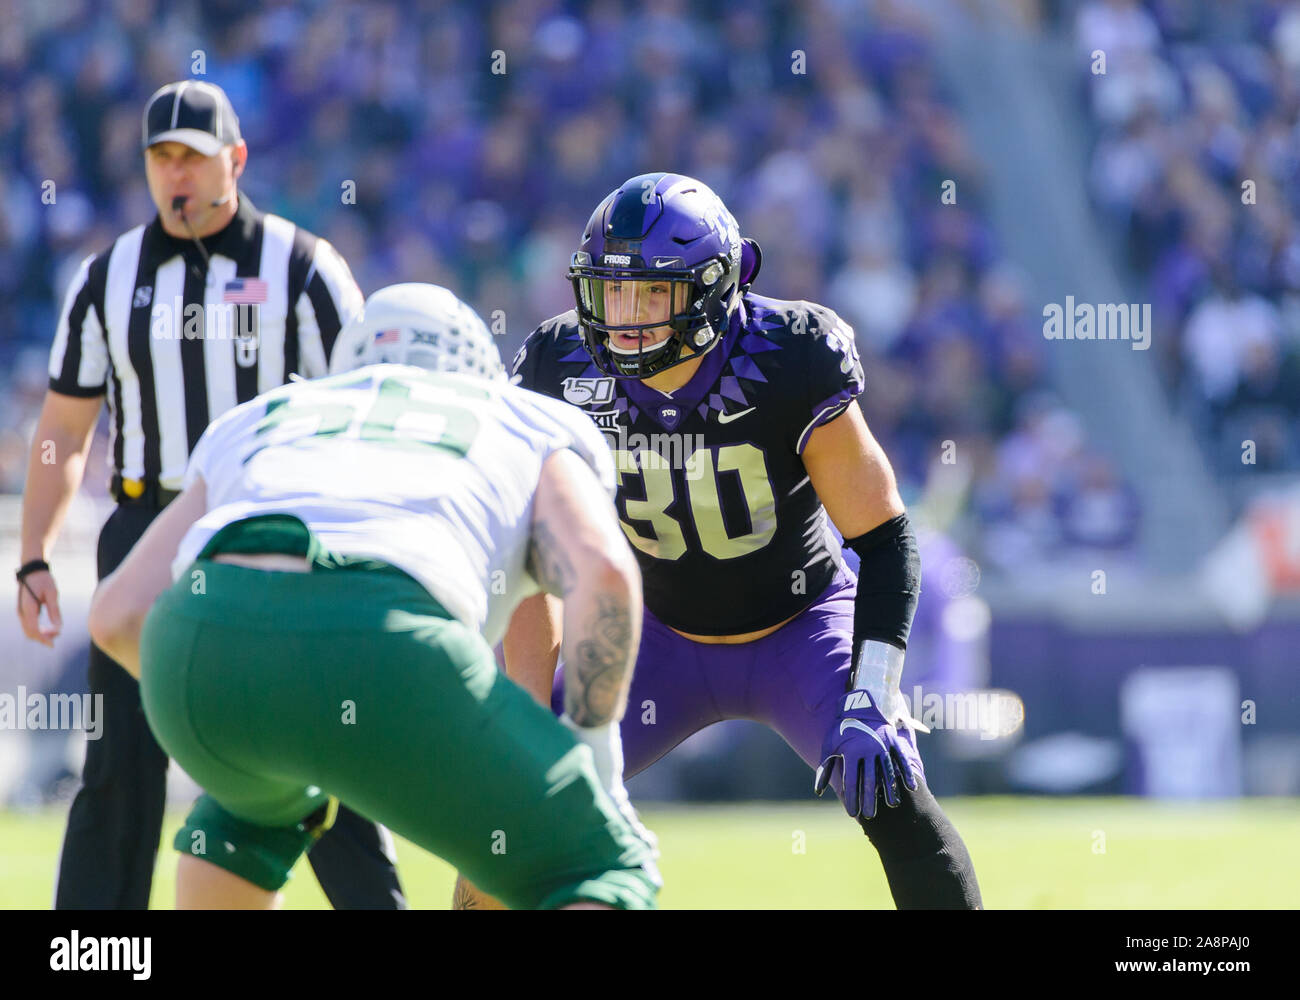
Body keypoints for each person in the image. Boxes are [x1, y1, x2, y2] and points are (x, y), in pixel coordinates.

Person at [462, 172, 982, 909]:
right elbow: (530, 554)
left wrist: (874, 690)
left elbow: (887, 537)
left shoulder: (789, 353)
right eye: (612, 292)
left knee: (892, 795)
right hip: (654, 637)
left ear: (712, 290)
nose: (626, 317)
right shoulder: (561, 366)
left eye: (651, 293)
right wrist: (524, 715)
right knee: (510, 812)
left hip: (800, 628)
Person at [86, 282, 660, 910]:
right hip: (385, 637)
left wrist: (244, 691)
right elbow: (603, 570)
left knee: (243, 825)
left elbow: (116, 616)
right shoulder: (525, 417)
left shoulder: (262, 415)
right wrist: (592, 744)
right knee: (598, 866)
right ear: (481, 370)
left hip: (197, 644)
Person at [16, 79, 404, 909]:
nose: (175, 175)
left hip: (272, 534)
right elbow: (63, 429)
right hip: (149, 530)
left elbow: (368, 414)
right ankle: (95, 958)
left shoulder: (304, 267)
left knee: (320, 745)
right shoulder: (107, 276)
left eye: (191, 156)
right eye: (160, 158)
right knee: (118, 763)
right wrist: (34, 554)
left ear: (236, 159)